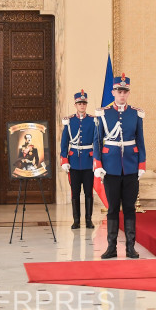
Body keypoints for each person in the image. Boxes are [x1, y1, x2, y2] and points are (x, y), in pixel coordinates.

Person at [93, 73, 146, 259]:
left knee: (130, 207)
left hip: (131, 167)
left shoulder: (136, 114)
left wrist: (141, 164)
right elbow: (97, 141)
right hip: (110, 167)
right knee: (113, 208)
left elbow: (140, 140)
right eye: (119, 91)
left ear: (128, 93)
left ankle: (131, 247)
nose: (122, 94)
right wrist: (98, 164)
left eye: (125, 92)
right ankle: (111, 247)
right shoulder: (103, 114)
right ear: (113, 92)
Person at [61, 89, 97, 230]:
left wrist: (97, 161)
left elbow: (97, 142)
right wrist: (64, 160)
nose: (82, 106)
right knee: (75, 193)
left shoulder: (93, 120)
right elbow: (64, 143)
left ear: (86, 105)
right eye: (79, 104)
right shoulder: (69, 121)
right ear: (75, 105)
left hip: (88, 162)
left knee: (88, 192)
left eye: (84, 103)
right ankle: (76, 220)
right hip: (74, 162)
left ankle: (88, 220)